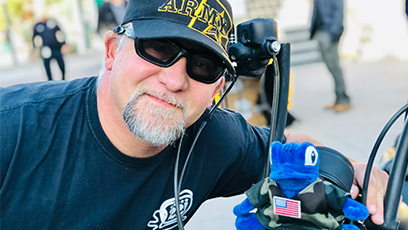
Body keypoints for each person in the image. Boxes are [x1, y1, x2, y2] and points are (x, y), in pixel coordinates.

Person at [1, 0, 388, 229]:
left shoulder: (216, 138)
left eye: (202, 65)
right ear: (111, 51)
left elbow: (287, 150)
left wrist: (352, 168)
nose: (173, 79)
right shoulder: (13, 129)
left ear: (218, 88)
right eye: (156, 49)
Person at [310, 0, 351, 112]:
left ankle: (343, 99)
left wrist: (334, 33)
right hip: (321, 32)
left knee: (334, 66)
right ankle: (339, 98)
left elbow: (339, 13)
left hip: (330, 33)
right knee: (330, 67)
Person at [32, 11, 69, 81]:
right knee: (47, 66)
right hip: (46, 49)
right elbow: (34, 39)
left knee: (61, 63)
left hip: (56, 47)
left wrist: (64, 44)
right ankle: (50, 80)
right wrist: (34, 51)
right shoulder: (37, 26)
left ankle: (63, 78)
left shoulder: (52, 23)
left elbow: (60, 33)